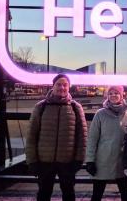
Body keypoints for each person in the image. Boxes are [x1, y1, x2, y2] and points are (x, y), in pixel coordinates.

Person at [25, 73, 87, 201]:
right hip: (44, 161)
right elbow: (31, 136)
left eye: (65, 85)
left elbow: (82, 137)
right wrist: (32, 161)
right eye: (59, 84)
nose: (62, 87)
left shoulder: (76, 108)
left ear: (69, 87)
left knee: (69, 194)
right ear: (52, 86)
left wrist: (79, 160)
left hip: (67, 162)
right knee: (43, 193)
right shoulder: (40, 107)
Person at [85, 85, 127, 201]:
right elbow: (92, 138)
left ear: (122, 95)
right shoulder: (100, 114)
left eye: (116, 93)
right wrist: (90, 160)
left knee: (125, 193)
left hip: (121, 161)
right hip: (102, 160)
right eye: (110, 93)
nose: (113, 96)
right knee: (97, 193)